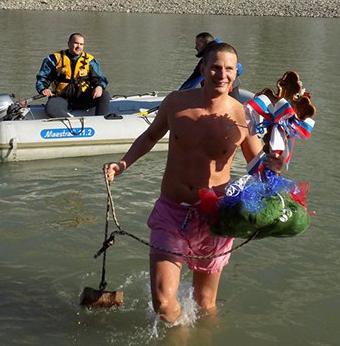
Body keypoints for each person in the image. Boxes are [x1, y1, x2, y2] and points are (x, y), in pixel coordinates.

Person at [106, 42, 282, 323]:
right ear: (202, 69)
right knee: (163, 303)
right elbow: (150, 136)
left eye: (229, 69)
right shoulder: (176, 103)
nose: (222, 75)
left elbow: (258, 167)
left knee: (205, 303)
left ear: (236, 73)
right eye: (215, 67)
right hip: (172, 210)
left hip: (216, 216)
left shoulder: (243, 116)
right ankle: (180, 332)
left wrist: (274, 166)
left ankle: (204, 345)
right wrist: (123, 163)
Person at [35, 33, 111, 118]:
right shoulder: (54, 59)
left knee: (104, 95)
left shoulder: (90, 61)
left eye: (81, 44)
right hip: (62, 98)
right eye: (76, 43)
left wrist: (99, 87)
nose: (79, 46)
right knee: (51, 109)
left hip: (83, 97)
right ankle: (71, 122)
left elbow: (100, 79)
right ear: (69, 44)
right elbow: (42, 79)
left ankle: (100, 121)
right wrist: (43, 89)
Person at [179, 32, 242, 101]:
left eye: (198, 44)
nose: (196, 47)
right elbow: (240, 69)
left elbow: (191, 83)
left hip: (227, 89)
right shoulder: (223, 50)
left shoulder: (209, 59)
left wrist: (178, 96)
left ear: (206, 44)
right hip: (232, 86)